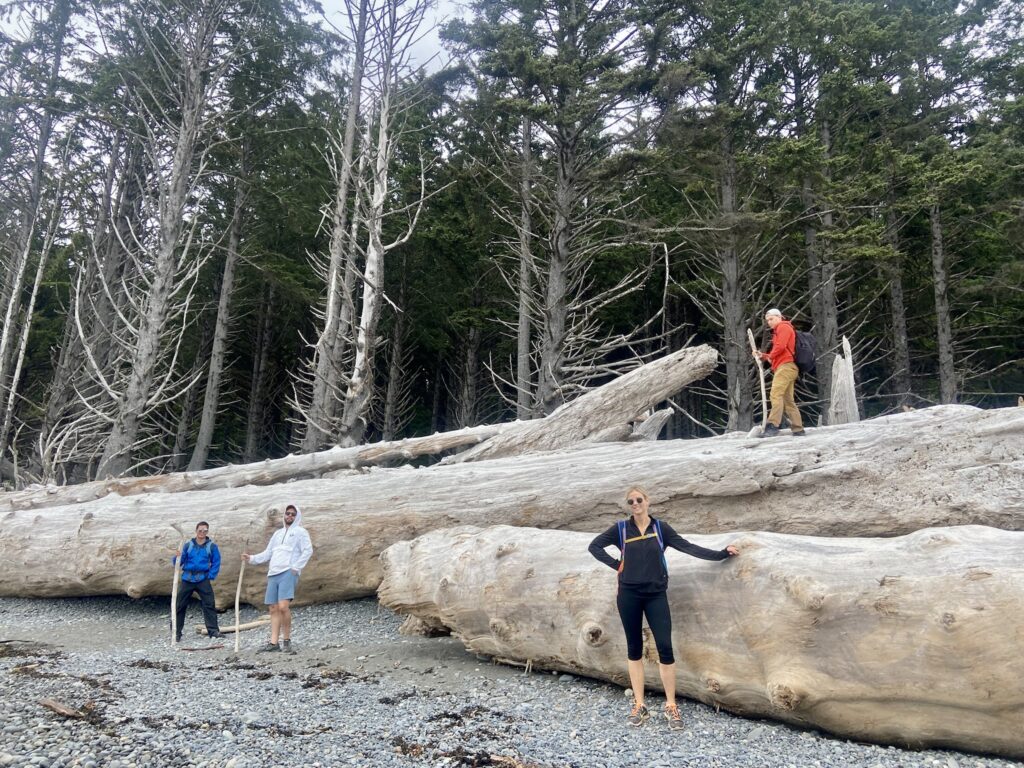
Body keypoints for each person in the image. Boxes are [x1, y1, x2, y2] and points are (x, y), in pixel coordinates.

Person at [588, 488, 739, 730]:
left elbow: (688, 547)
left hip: (655, 595)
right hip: (628, 595)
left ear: (647, 501)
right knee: (634, 648)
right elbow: (594, 547)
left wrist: (721, 554)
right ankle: (639, 706)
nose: (635, 504)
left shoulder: (661, 528)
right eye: (631, 501)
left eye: (639, 499)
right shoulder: (620, 529)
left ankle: (671, 705)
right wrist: (617, 565)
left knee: (665, 648)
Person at [243, 504, 313, 653]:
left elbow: (308, 550)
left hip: (288, 572)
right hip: (273, 573)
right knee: (273, 608)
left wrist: (296, 567)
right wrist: (251, 558)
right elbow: (268, 553)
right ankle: (274, 643)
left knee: (283, 607)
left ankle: (286, 641)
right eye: (288, 513)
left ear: (297, 516)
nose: (289, 516)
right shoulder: (278, 534)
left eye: (293, 514)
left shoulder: (300, 532)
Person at [755, 307, 806, 437]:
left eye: (771, 319)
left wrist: (770, 356)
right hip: (788, 367)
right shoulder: (780, 330)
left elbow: (780, 347)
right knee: (788, 400)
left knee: (775, 394)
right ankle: (798, 428)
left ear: (779, 317)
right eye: (767, 320)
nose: (769, 322)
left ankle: (773, 426)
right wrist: (764, 356)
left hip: (786, 367)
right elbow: (778, 352)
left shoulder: (783, 327)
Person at [172, 521, 224, 641]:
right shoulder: (188, 545)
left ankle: (213, 631)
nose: (202, 533)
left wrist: (211, 575)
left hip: (203, 578)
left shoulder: (211, 546)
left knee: (209, 604)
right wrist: (177, 557)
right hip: (187, 578)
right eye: (200, 530)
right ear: (196, 531)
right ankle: (176, 632)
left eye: (205, 531)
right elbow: (178, 562)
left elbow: (216, 561)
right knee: (179, 605)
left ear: (207, 532)